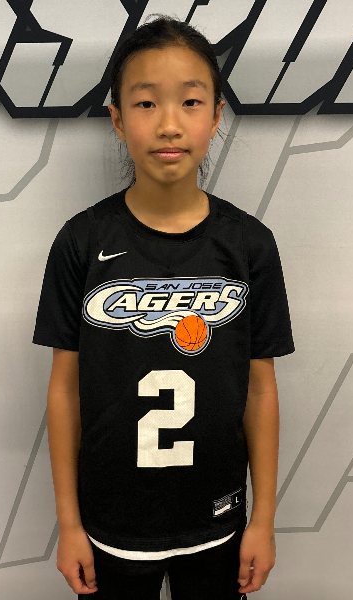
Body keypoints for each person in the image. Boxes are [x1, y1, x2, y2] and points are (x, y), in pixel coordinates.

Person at [32, 14, 295, 600]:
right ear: (117, 119)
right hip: (111, 527)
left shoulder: (249, 245)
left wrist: (263, 520)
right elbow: (64, 389)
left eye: (191, 102)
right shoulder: (81, 241)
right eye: (146, 103)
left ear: (216, 116)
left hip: (218, 522)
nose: (169, 124)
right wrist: (69, 525)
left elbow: (260, 389)